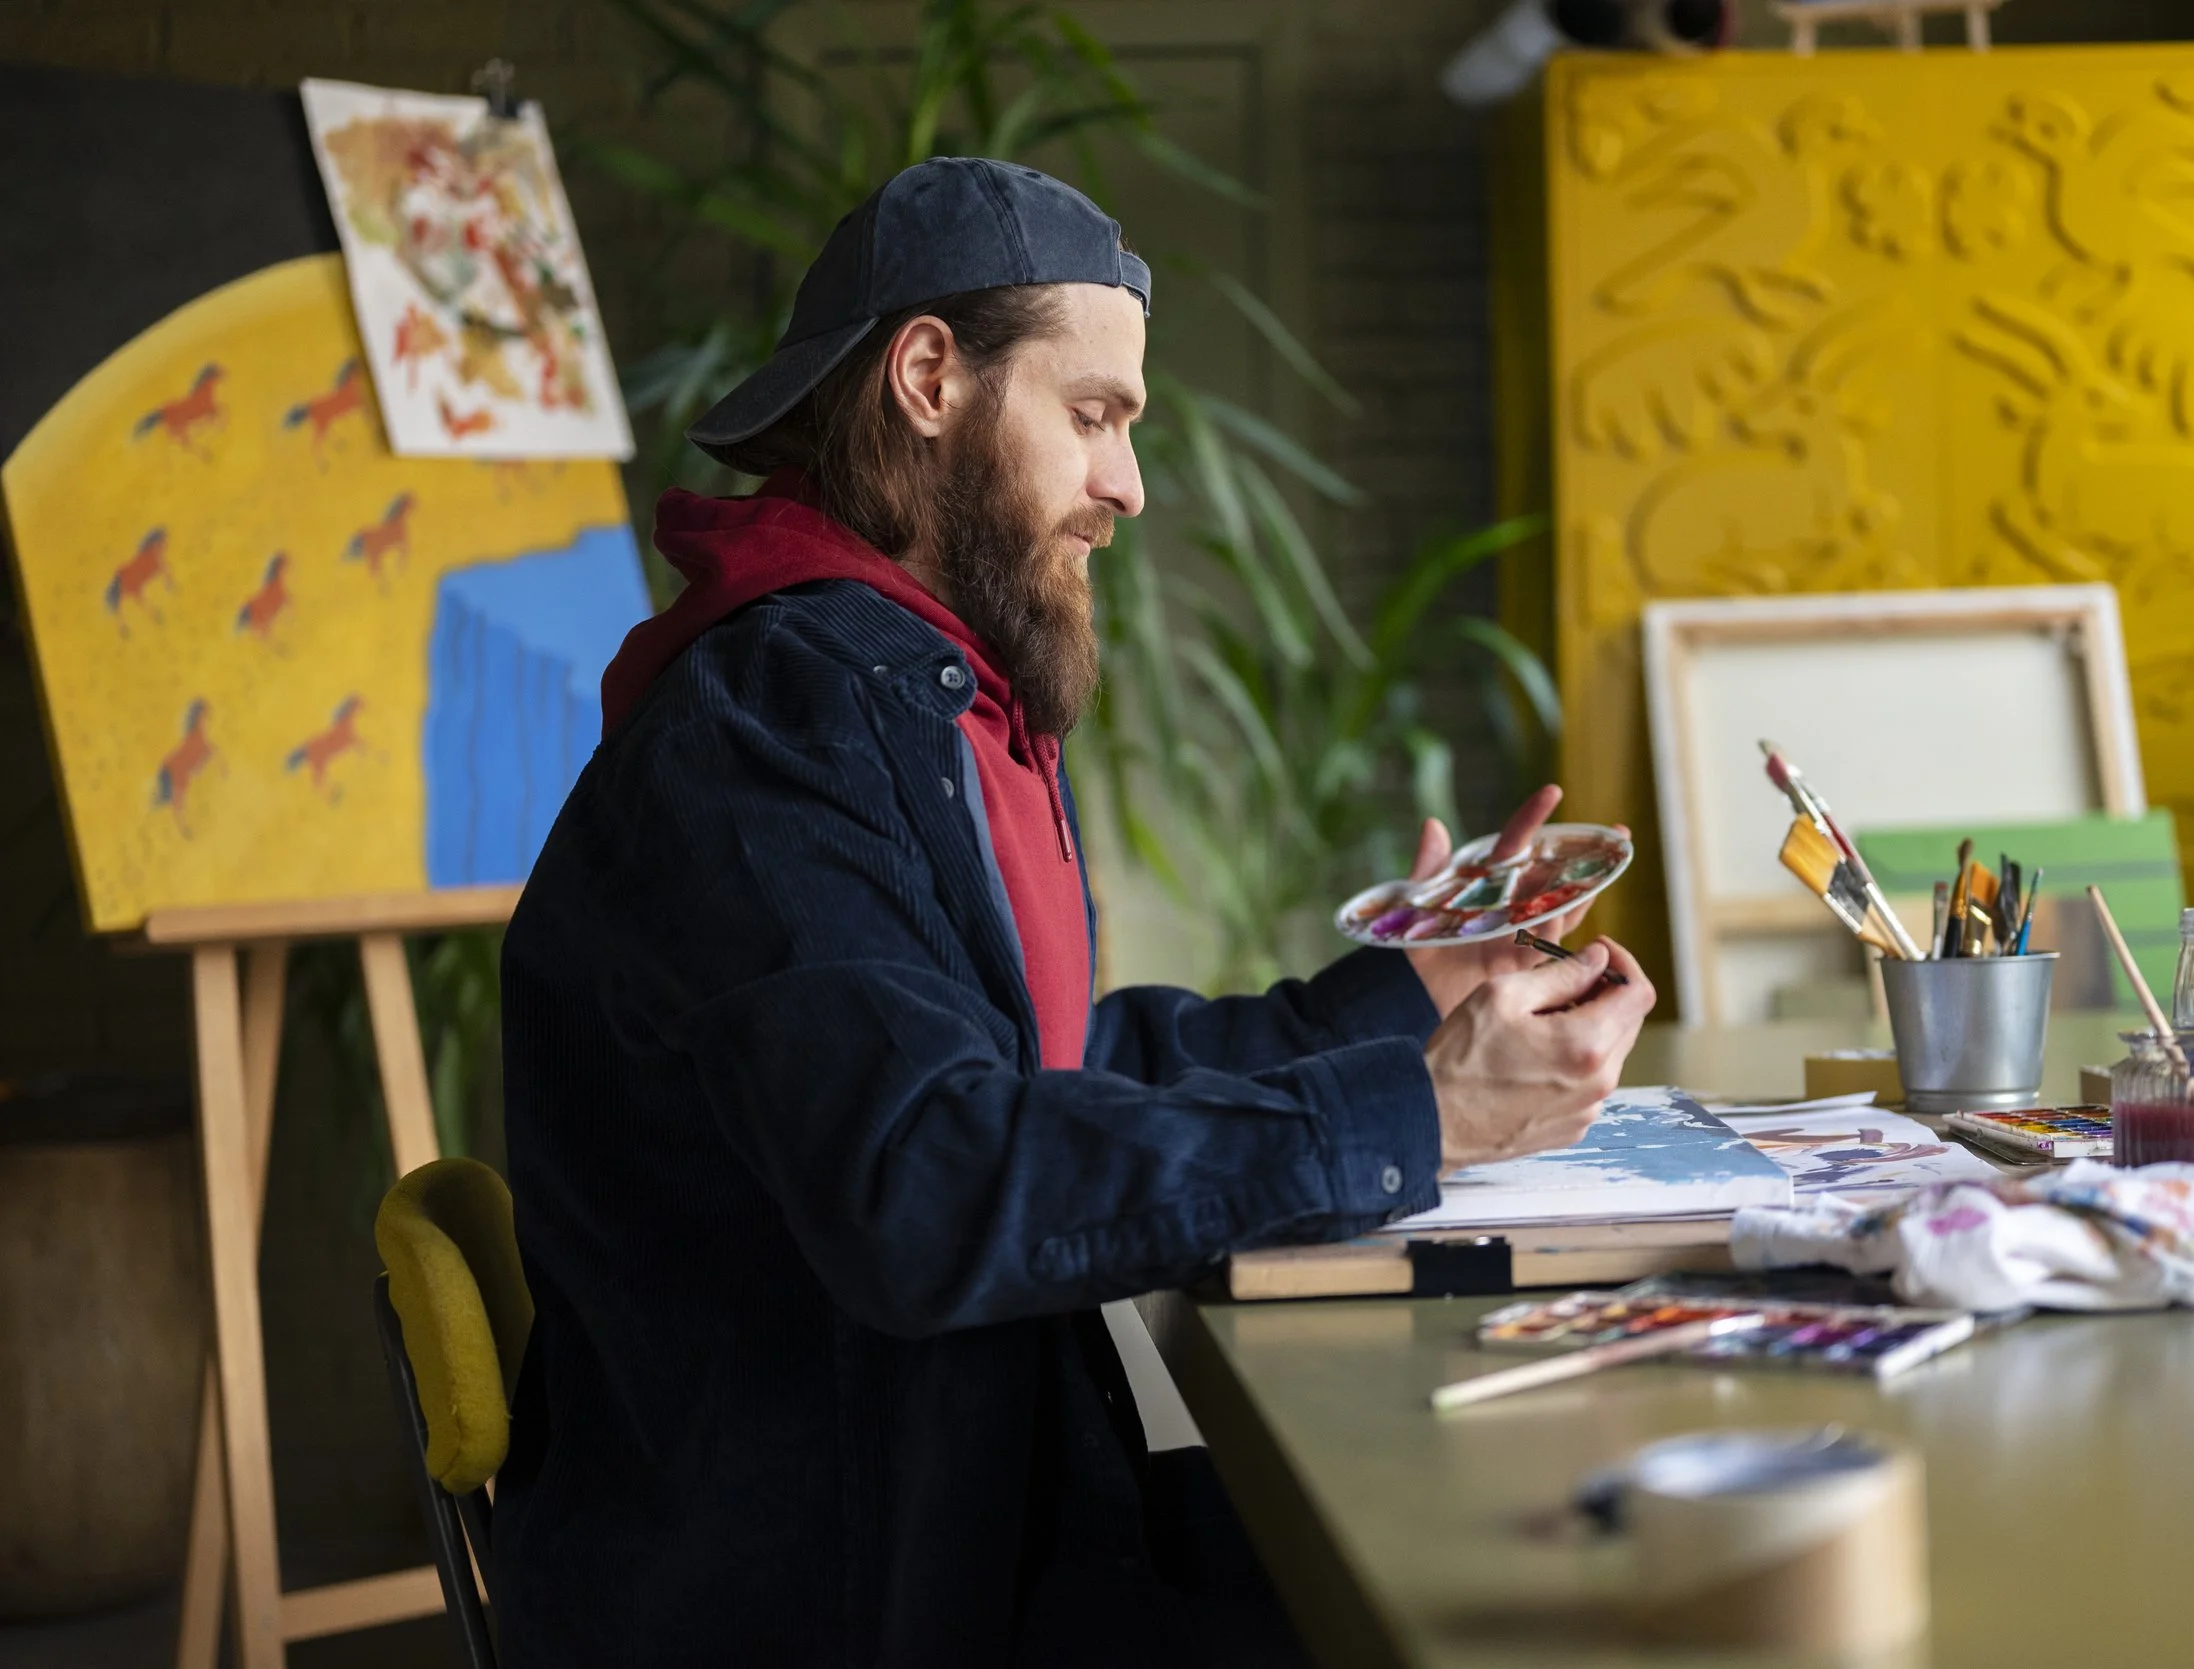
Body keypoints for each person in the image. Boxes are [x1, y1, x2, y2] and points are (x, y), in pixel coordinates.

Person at [494, 156, 1655, 1667]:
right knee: (1501, 1601)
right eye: (1095, 416)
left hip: (950, 1511)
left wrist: (1397, 1003)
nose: (1131, 485)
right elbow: (925, 1181)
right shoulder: (779, 733)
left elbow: (1025, 1069)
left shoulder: (897, 688)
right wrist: (1412, 1122)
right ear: (927, 377)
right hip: (837, 1591)